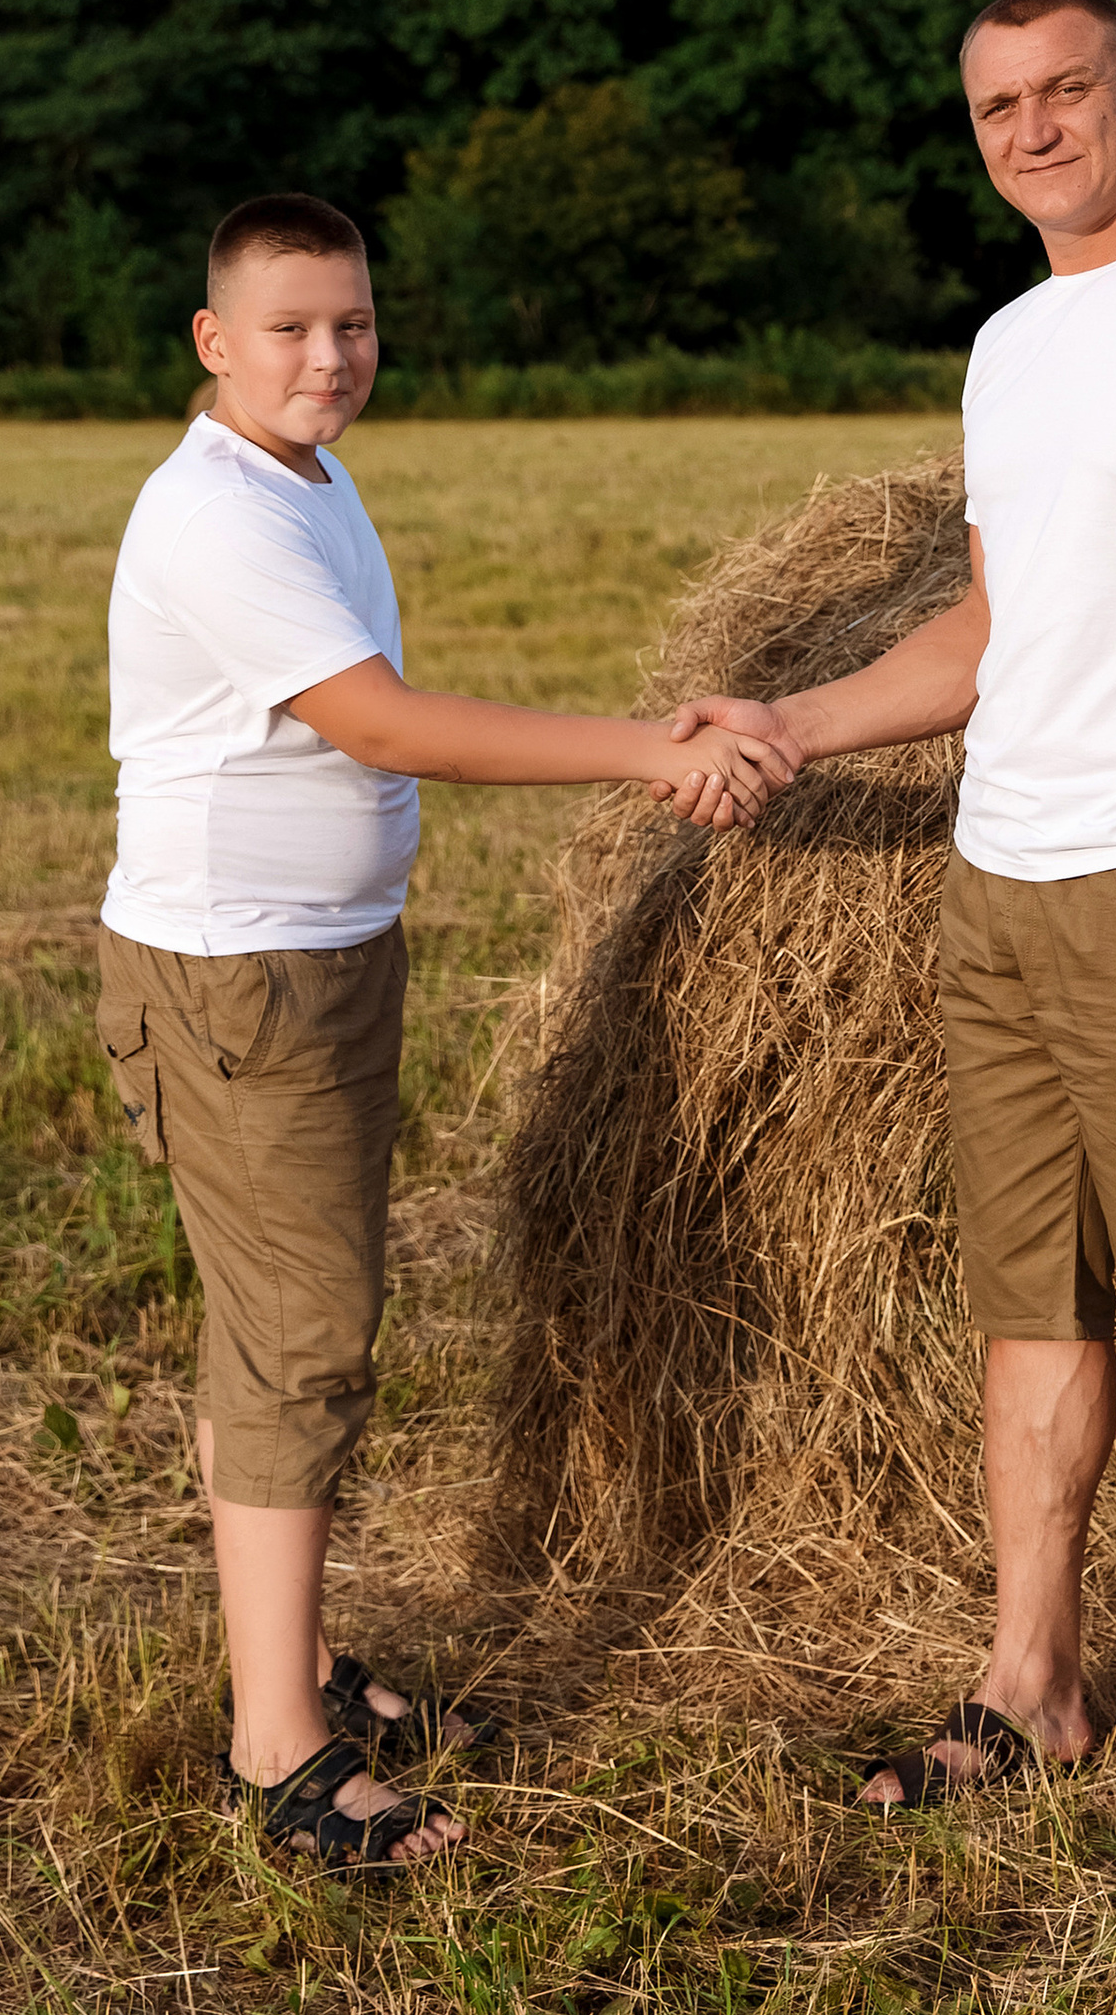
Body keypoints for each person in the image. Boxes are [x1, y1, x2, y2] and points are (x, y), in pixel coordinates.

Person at [664, 0, 1116, 1852]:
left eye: (1069, 90)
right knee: (1032, 1311)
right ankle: (1032, 1676)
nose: (1035, 129)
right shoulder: (1011, 346)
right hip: (999, 883)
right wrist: (795, 722)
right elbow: (997, 632)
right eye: (999, 107)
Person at [97, 192, 787, 1875]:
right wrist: (648, 753)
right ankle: (279, 1747)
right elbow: (385, 724)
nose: (330, 357)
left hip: (314, 964)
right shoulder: (216, 517)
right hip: (240, 979)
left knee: (275, 1322)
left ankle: (300, 1659)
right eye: (289, 328)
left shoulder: (309, 478)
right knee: (303, 1345)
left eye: (353, 323)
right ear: (213, 340)